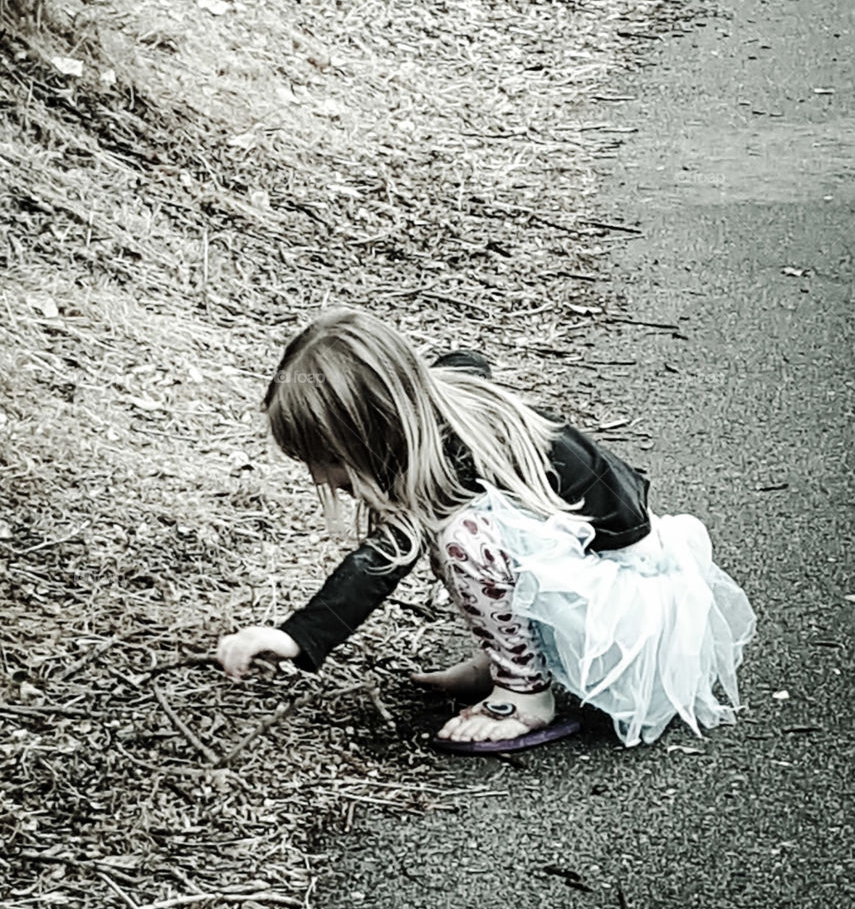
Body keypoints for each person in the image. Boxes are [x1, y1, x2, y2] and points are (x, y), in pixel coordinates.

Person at [216, 307, 756, 750]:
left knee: (463, 537)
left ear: (371, 432)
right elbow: (469, 361)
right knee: (463, 527)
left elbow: (382, 561)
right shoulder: (442, 402)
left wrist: (296, 635)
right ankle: (510, 658)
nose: (322, 478)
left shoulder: (454, 455)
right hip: (607, 583)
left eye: (324, 459)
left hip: (626, 621)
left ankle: (525, 693)